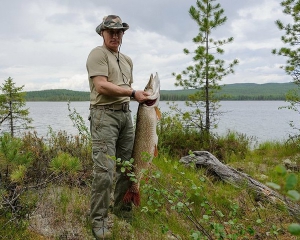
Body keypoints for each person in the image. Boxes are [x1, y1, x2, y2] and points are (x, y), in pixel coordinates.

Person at [86, 15, 149, 239]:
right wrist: (133, 93)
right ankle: (98, 221)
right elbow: (102, 86)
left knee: (127, 166)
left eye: (119, 31)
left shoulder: (127, 60)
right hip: (104, 117)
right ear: (102, 33)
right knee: (104, 172)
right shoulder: (97, 54)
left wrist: (141, 98)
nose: (115, 35)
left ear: (123, 34)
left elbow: (123, 89)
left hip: (125, 116)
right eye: (110, 31)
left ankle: (122, 211)